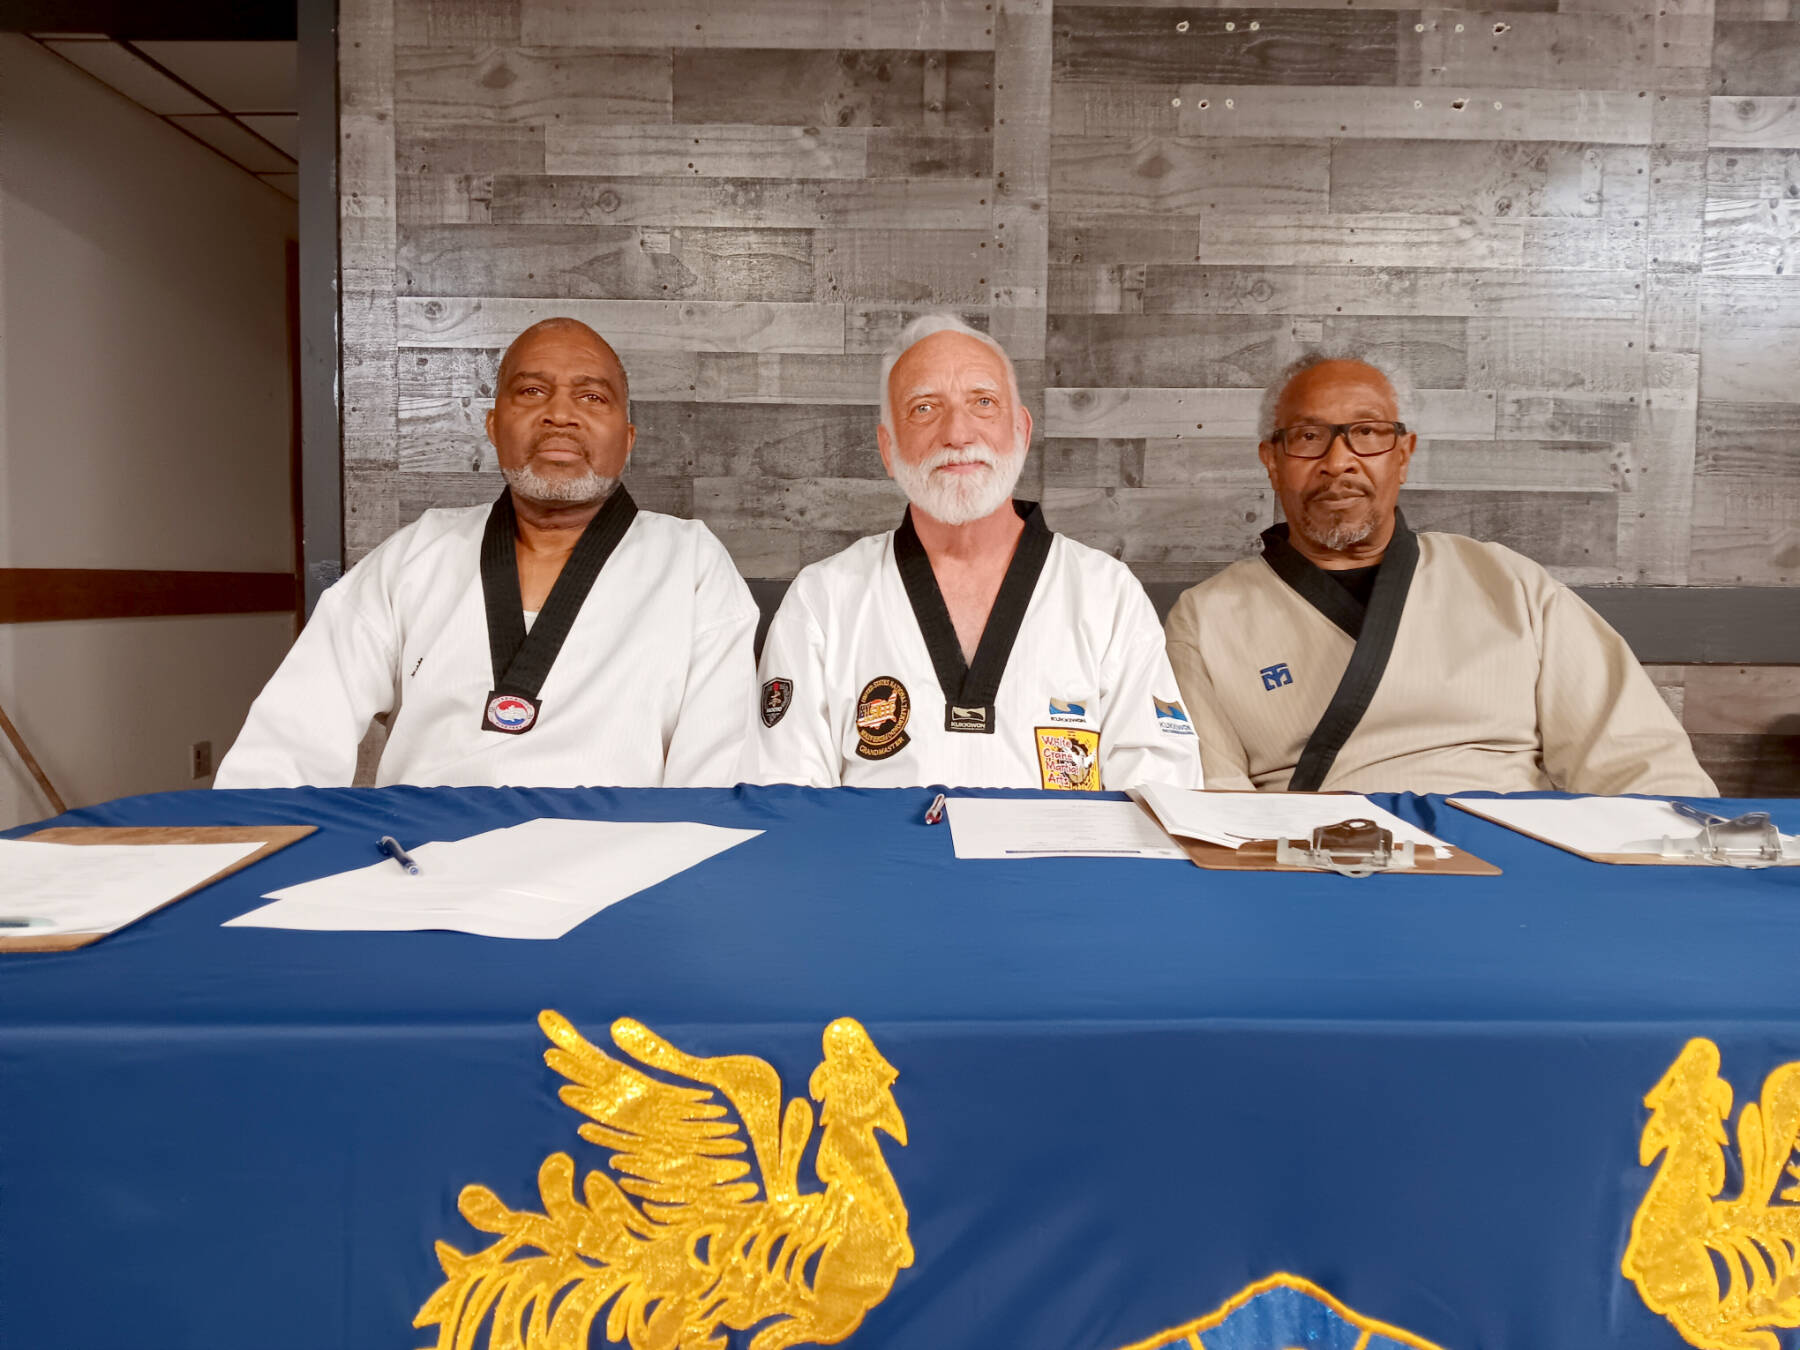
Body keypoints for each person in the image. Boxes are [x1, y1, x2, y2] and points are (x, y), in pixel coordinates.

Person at [216, 318, 757, 788]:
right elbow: (290, 737)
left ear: (629, 438)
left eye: (591, 397)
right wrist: (243, 854)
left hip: (614, 876)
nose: (560, 415)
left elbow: (717, 770)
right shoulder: (417, 554)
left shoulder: (690, 565)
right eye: (531, 392)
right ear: (493, 426)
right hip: (421, 870)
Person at [1163, 351, 1716, 795]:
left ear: (1403, 454)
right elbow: (1210, 792)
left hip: (1507, 852)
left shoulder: (1507, 582)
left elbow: (1636, 759)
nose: (1339, 461)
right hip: (1316, 863)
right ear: (1272, 459)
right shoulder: (1207, 616)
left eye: (1368, 433)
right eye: (1309, 437)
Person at [752, 314, 1201, 790]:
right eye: (924, 408)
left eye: (983, 402)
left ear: (1022, 432)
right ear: (888, 448)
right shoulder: (823, 600)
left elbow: (1161, 792)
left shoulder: (1107, 595)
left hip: (1061, 864)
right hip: (879, 864)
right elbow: (785, 799)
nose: (958, 434)